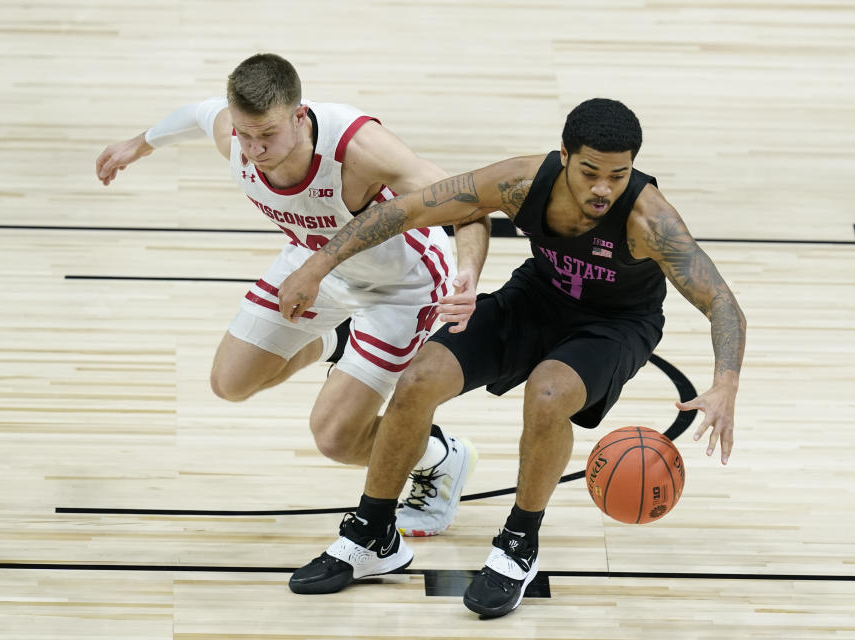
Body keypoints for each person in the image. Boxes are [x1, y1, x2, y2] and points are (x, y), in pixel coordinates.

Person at [277, 98, 746, 617]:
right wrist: (317, 265)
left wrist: (725, 382)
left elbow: (722, 303)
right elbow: (406, 209)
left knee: (547, 394)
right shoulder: (521, 183)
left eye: (619, 175)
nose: (603, 189)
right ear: (564, 154)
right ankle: (373, 535)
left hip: (616, 326)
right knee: (418, 380)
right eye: (590, 171)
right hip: (537, 298)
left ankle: (519, 542)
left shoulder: (650, 220)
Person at [94, 53, 490, 537]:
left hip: (402, 288)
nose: (255, 150)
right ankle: (339, 338)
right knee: (231, 382)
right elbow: (200, 112)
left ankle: (439, 457)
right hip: (317, 267)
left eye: (268, 135)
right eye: (246, 134)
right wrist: (139, 144)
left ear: (300, 118)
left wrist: (468, 270)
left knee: (336, 440)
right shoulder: (235, 136)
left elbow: (471, 204)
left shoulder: (361, 150)